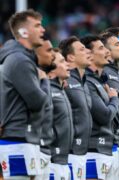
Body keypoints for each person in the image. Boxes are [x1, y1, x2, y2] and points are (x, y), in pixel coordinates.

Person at [0, 9, 48, 180]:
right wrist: (44, 81)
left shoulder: (22, 58)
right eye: (37, 25)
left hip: (23, 139)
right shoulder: (19, 60)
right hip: (17, 141)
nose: (42, 30)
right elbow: (38, 101)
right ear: (23, 32)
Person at [80, 35, 119, 180]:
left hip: (107, 149)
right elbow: (104, 116)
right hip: (94, 149)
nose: (107, 52)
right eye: (101, 48)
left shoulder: (99, 82)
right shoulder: (89, 83)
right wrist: (114, 99)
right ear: (89, 54)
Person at [59, 36, 93, 180]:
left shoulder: (84, 82)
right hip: (69, 153)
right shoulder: (64, 81)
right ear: (71, 57)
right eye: (82, 49)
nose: (87, 51)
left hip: (82, 152)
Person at [100, 32, 119, 179]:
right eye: (117, 44)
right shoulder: (106, 72)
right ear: (107, 51)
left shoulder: (117, 73)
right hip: (112, 146)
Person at [48, 49, 73, 180]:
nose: (67, 64)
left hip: (64, 160)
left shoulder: (61, 89)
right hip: (52, 161)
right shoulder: (47, 90)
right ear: (51, 70)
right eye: (62, 61)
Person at [35, 39, 56, 180]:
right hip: (32, 148)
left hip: (47, 151)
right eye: (49, 50)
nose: (53, 54)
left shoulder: (44, 80)